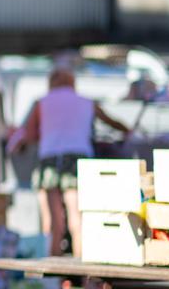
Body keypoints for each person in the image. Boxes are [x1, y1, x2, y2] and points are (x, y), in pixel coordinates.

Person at [8, 68, 130, 258]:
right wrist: (127, 130)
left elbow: (30, 134)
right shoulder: (86, 102)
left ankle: (53, 276)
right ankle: (83, 272)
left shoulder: (42, 103)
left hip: (50, 158)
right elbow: (112, 122)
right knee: (78, 217)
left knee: (52, 220)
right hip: (78, 159)